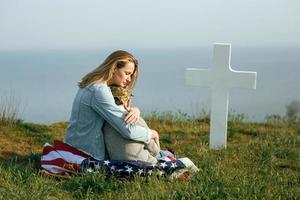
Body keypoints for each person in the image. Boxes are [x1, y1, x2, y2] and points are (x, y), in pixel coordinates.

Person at [64, 50, 159, 161]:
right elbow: (127, 130)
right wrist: (152, 133)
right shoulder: (99, 91)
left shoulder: (91, 84)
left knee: (132, 119)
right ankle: (156, 153)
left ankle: (155, 153)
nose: (129, 79)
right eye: (127, 73)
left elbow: (117, 110)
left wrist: (135, 110)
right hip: (88, 155)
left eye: (131, 75)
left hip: (74, 146)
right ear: (114, 68)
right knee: (133, 125)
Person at [103, 85, 161, 163]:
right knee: (166, 154)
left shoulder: (105, 122)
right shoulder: (136, 119)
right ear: (128, 100)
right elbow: (154, 151)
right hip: (144, 164)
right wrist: (156, 136)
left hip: (116, 165)